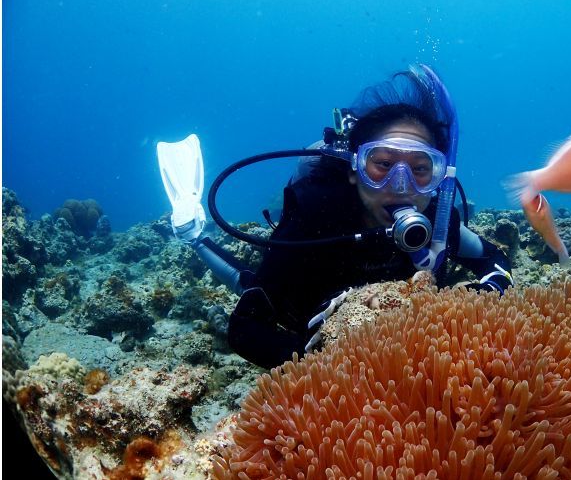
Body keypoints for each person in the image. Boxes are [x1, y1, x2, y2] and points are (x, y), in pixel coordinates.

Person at [158, 65, 512, 369]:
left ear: (439, 177)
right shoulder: (315, 218)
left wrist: (482, 296)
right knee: (251, 283)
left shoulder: (438, 223)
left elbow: (495, 259)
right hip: (303, 314)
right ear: (355, 169)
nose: (401, 186)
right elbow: (245, 329)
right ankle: (192, 231)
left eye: (420, 169)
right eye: (383, 165)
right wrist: (328, 362)